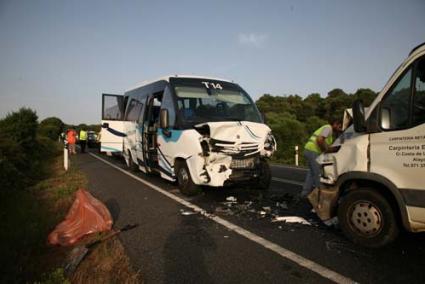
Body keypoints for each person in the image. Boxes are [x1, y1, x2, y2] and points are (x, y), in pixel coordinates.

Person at [300, 118, 342, 198]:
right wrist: (326, 150)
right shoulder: (328, 128)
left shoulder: (328, 130)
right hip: (313, 151)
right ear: (335, 124)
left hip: (309, 150)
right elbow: (320, 140)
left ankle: (304, 194)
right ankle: (319, 198)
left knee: (311, 174)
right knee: (318, 175)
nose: (340, 129)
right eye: (339, 126)